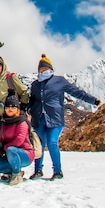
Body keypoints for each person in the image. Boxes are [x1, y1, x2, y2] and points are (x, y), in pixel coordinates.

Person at [28, 53, 101, 181]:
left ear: (50, 69)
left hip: (55, 119)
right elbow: (32, 101)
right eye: (41, 69)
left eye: (45, 69)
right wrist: (28, 110)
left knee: (52, 143)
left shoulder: (59, 81)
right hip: (39, 119)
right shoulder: (35, 85)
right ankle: (38, 170)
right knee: (39, 144)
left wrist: (93, 100)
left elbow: (77, 92)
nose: (43, 71)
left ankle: (57, 171)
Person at [0, 94, 34, 186]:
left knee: (11, 150)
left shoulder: (22, 122)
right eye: (8, 106)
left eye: (13, 106)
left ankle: (16, 175)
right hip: (10, 154)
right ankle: (14, 171)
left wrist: (5, 148)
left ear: (17, 109)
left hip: (25, 154)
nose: (10, 109)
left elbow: (19, 140)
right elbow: (2, 139)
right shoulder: (5, 122)